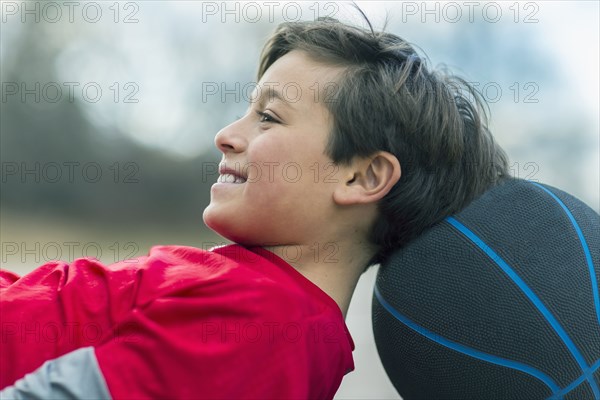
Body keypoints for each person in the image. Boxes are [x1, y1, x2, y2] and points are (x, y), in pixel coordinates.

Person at [0, 15, 508, 399]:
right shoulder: (259, 294)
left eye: (268, 116)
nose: (225, 136)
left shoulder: (273, 326)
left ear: (361, 176)